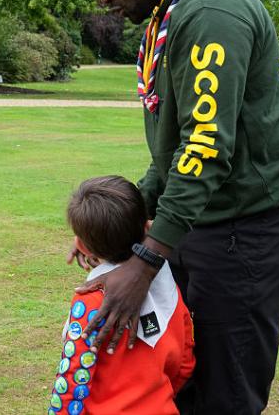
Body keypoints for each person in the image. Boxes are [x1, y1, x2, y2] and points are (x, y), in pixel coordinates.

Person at [77, 0, 279, 414]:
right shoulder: (176, 10)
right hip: (211, 222)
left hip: (250, 226)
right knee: (183, 378)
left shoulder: (211, 10)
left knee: (223, 394)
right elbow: (174, 150)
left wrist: (146, 262)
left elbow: (205, 149)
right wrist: (122, 220)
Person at [50, 176, 194, 415]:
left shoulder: (90, 300)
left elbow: (73, 378)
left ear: (82, 247)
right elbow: (185, 359)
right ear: (148, 228)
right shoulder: (166, 286)